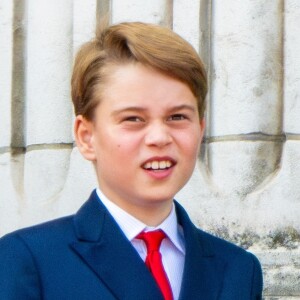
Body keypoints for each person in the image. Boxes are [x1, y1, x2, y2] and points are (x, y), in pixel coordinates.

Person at [0, 21, 263, 299]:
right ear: (87, 137)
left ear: (200, 128)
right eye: (133, 119)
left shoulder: (238, 268)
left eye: (177, 117)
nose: (160, 137)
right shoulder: (27, 260)